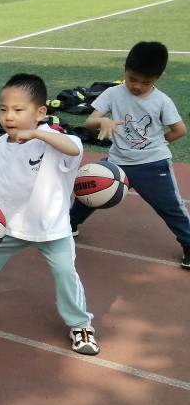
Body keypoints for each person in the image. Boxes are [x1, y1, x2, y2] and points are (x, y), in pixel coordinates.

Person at [0, 73, 98, 356]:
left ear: (40, 113)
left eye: (18, 109)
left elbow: (75, 148)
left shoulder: (54, 141)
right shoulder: (0, 146)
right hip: (10, 224)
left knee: (65, 273)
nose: (9, 116)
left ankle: (80, 324)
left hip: (51, 228)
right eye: (3, 109)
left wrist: (37, 133)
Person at [69, 41, 190, 269]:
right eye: (132, 79)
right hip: (117, 162)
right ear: (125, 69)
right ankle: (69, 224)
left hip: (152, 164)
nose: (137, 86)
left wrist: (157, 143)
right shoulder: (113, 93)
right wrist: (103, 121)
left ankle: (189, 243)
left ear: (159, 77)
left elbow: (179, 130)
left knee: (170, 207)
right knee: (88, 191)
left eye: (146, 82)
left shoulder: (162, 101)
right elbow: (90, 121)